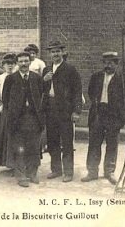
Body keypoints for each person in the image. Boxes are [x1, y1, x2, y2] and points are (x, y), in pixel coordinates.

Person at [2, 52, 46, 187]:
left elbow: (42, 97)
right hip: (17, 119)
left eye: (26, 61)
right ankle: (21, 175)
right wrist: (11, 114)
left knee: (33, 146)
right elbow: (5, 99)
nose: (23, 64)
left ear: (30, 62)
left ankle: (32, 173)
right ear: (17, 63)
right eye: (20, 61)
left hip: (33, 118)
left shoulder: (37, 78)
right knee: (19, 148)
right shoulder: (11, 79)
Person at [42, 40, 82, 182]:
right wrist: (44, 80)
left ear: (62, 53)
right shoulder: (46, 70)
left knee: (66, 142)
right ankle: (56, 170)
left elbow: (77, 91)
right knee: (52, 141)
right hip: (50, 110)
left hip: (65, 111)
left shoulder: (70, 69)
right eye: (53, 52)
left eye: (58, 51)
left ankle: (68, 172)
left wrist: (76, 111)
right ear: (50, 54)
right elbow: (41, 91)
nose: (55, 54)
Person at [83, 52, 124, 184]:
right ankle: (92, 171)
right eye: (105, 62)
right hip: (98, 113)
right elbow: (90, 92)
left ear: (116, 64)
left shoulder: (121, 79)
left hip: (113, 115)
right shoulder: (96, 77)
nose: (108, 65)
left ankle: (109, 172)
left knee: (112, 144)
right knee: (94, 143)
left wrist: (120, 117)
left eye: (111, 62)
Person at [0, 53, 21, 170]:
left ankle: (16, 162)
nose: (10, 66)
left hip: (17, 109)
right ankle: (5, 160)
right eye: (7, 64)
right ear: (3, 65)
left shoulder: (18, 77)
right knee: (5, 133)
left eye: (12, 64)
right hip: (5, 108)